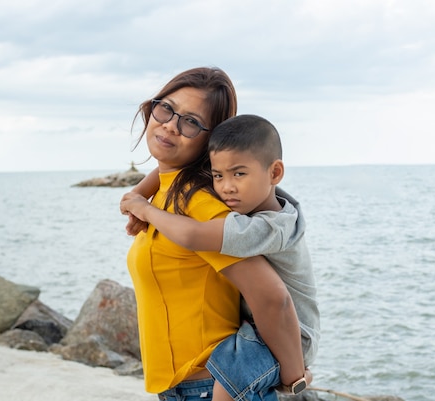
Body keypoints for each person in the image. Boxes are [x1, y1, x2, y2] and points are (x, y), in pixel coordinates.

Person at [120, 67, 308, 401]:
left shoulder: (198, 203)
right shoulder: (168, 190)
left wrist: (295, 379)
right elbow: (163, 173)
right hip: (182, 387)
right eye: (166, 108)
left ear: (209, 143)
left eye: (190, 122)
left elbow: (272, 296)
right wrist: (137, 199)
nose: (169, 125)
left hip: (213, 386)